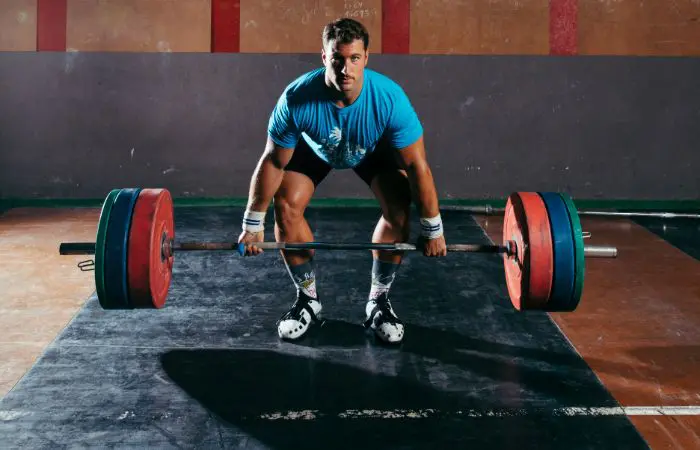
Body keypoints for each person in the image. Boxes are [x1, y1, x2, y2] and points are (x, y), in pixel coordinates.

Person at [237, 18, 447, 344]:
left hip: (371, 147)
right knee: (286, 205)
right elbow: (274, 161)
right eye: (338, 59)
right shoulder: (297, 99)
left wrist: (433, 229)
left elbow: (418, 167)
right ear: (324, 57)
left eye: (354, 59)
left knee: (399, 206)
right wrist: (252, 224)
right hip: (316, 148)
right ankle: (308, 300)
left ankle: (378, 302)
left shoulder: (389, 99)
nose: (345, 68)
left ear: (366, 59)